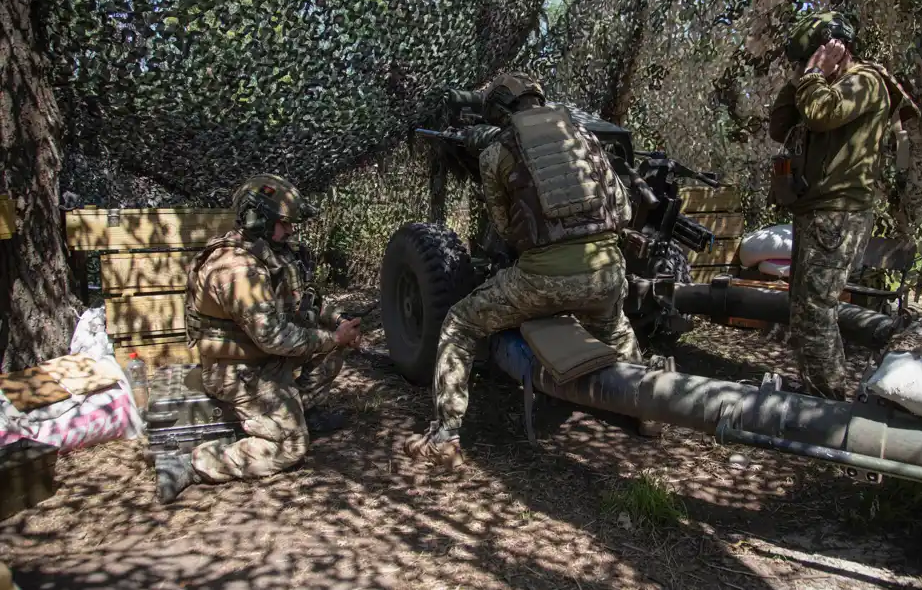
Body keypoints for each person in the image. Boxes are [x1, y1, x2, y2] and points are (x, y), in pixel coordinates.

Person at [404, 71, 654, 469]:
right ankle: (650, 411)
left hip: (542, 280)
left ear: (499, 110)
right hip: (606, 274)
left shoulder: (496, 151)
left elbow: (504, 229)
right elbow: (622, 210)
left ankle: (445, 437)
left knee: (460, 324)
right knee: (615, 327)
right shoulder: (585, 139)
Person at [155, 173, 362, 504]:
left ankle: (301, 410)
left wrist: (338, 323)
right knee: (290, 448)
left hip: (266, 359)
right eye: (284, 222)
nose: (291, 229)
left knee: (337, 346)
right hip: (239, 369)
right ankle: (193, 464)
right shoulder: (235, 269)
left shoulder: (272, 252)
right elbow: (272, 336)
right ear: (257, 218)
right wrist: (330, 338)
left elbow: (308, 300)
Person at [769, 11, 916, 400]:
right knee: (802, 305)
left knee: (817, 307)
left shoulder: (865, 81)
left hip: (838, 210)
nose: (806, 68)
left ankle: (828, 402)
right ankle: (814, 387)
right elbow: (779, 126)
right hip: (815, 207)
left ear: (836, 47)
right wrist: (804, 76)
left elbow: (821, 115)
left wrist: (816, 75)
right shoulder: (818, 85)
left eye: (810, 58)